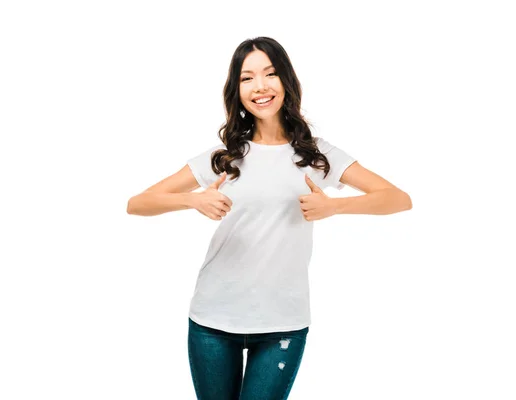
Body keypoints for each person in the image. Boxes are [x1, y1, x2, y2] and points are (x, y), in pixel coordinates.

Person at [127, 36, 412, 400]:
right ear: (237, 89)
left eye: (270, 74)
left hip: (283, 323)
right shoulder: (224, 157)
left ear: (286, 81)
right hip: (213, 319)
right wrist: (191, 200)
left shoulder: (318, 155)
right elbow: (138, 203)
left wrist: (334, 207)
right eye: (247, 78)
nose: (260, 86)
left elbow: (398, 199)